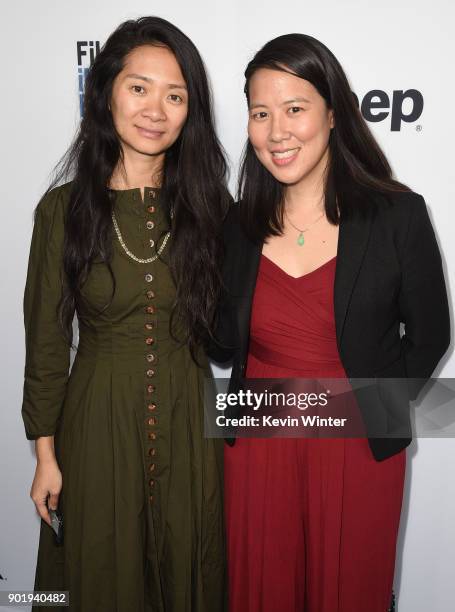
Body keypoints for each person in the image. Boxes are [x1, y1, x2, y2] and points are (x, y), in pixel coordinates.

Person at [210, 34, 450, 612]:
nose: (276, 131)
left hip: (358, 450)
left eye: (295, 109)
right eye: (260, 113)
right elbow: (220, 342)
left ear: (334, 113)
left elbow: (431, 334)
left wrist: (377, 410)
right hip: (257, 443)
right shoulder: (237, 225)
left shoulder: (398, 213)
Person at [22, 16, 230, 612]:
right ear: (106, 90)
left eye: (175, 95)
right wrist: (45, 455)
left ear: (192, 110)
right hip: (95, 426)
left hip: (190, 422)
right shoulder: (62, 210)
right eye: (139, 88)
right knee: (93, 576)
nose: (155, 110)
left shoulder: (212, 208)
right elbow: (45, 340)